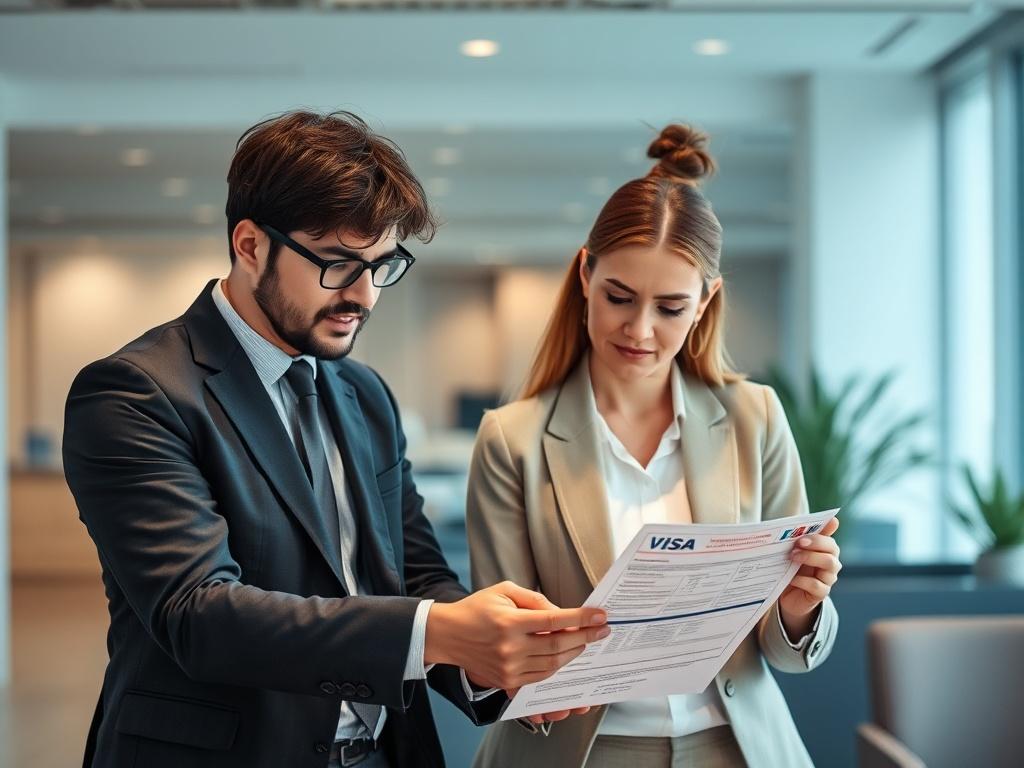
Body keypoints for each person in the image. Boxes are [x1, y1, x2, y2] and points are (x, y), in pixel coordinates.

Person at [62, 110, 608, 768]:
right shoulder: (136, 392)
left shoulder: (364, 396)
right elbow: (199, 614)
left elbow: (415, 575)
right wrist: (441, 632)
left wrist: (492, 661)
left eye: (383, 265)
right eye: (339, 264)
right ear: (250, 245)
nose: (365, 296)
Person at [466, 124, 842, 768]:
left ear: (706, 302)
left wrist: (802, 610)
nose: (639, 329)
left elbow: (789, 652)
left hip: (735, 745)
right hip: (579, 750)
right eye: (619, 297)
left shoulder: (755, 418)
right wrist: (529, 664)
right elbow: (503, 649)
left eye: (670, 307)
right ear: (585, 273)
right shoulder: (514, 439)